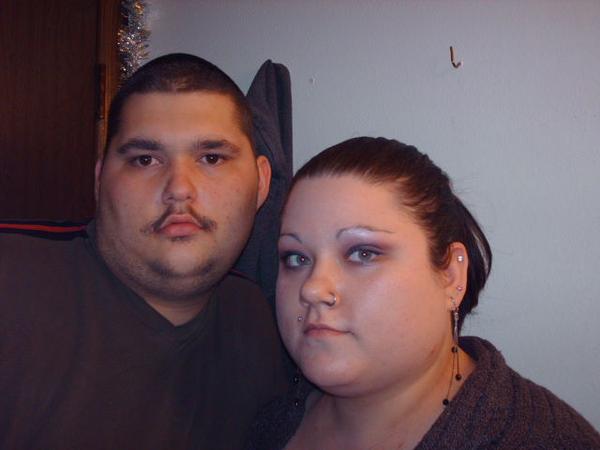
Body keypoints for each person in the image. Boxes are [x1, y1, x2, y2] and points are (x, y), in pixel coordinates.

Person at [0, 54, 288, 450]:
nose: (179, 188)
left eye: (211, 158)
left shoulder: (264, 318)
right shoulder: (12, 283)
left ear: (261, 182)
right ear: (100, 180)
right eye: (145, 159)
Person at [247, 137, 600, 449]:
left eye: (363, 253)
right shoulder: (262, 414)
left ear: (450, 274)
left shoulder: (543, 440)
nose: (312, 288)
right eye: (296, 258)